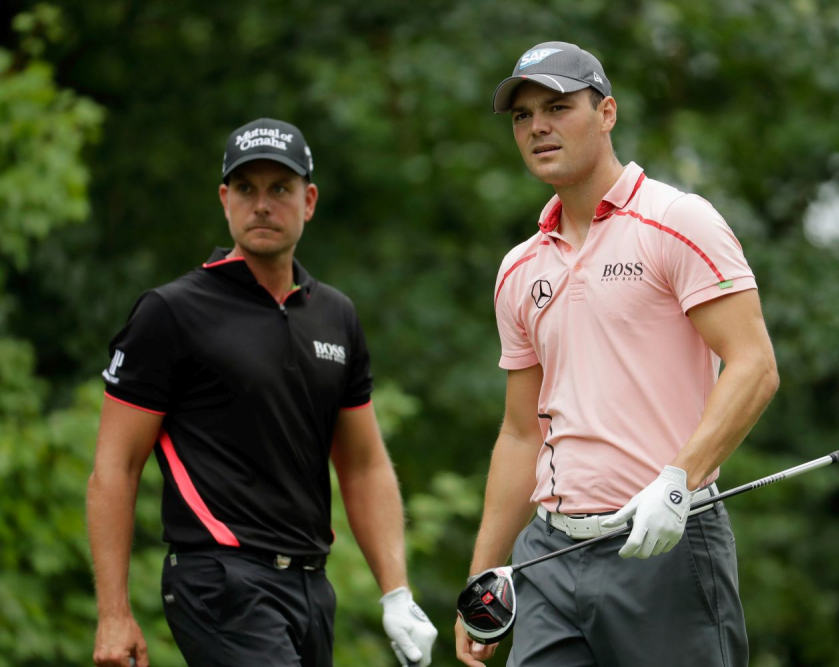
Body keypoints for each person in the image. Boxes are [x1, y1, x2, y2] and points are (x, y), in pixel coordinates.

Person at [455, 42, 779, 667]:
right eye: (522, 116)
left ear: (606, 114)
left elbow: (754, 365)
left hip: (664, 545)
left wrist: (679, 481)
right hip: (550, 555)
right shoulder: (518, 268)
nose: (538, 127)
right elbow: (523, 433)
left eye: (557, 107)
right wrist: (484, 572)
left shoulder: (678, 220)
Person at [88, 118, 437, 667]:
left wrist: (396, 593)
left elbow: (365, 465)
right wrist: (113, 613)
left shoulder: (335, 316)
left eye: (280, 188)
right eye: (246, 189)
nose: (262, 204)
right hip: (218, 580)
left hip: (310, 587)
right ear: (225, 199)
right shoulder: (172, 312)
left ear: (310, 200)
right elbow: (115, 465)